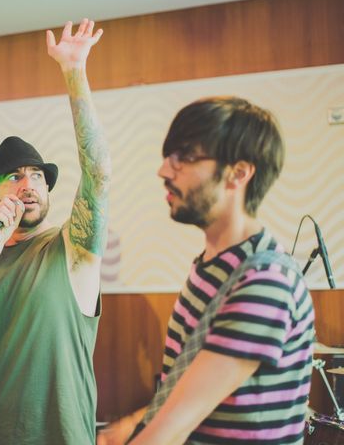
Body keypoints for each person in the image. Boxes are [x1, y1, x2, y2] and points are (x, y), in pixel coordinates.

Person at [98, 97, 314, 445]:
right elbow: (191, 394)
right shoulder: (212, 265)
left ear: (239, 173)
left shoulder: (264, 282)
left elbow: (172, 430)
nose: (164, 170)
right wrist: (133, 423)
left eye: (185, 157)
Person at [0, 18, 111, 445]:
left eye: (36, 175)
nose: (28, 184)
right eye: (15, 177)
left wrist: (74, 72)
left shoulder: (71, 248)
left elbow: (99, 175)